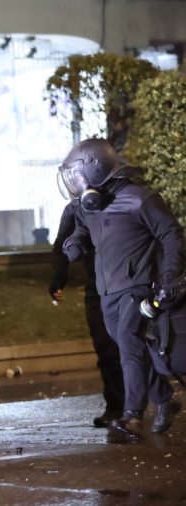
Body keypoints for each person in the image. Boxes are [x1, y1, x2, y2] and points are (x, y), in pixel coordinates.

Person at [59, 138, 184, 439]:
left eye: (77, 175)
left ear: (96, 169)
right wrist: (75, 241)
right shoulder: (91, 205)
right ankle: (164, 398)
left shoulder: (140, 199)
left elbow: (172, 235)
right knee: (131, 346)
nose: (75, 184)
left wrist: (169, 279)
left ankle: (132, 417)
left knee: (129, 341)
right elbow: (84, 230)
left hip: (137, 285)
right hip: (107, 289)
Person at [50, 199, 125, 427]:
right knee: (106, 350)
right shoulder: (76, 209)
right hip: (97, 288)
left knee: (133, 346)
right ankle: (116, 408)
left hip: (127, 284)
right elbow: (62, 244)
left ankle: (153, 399)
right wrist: (58, 280)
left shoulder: (123, 200)